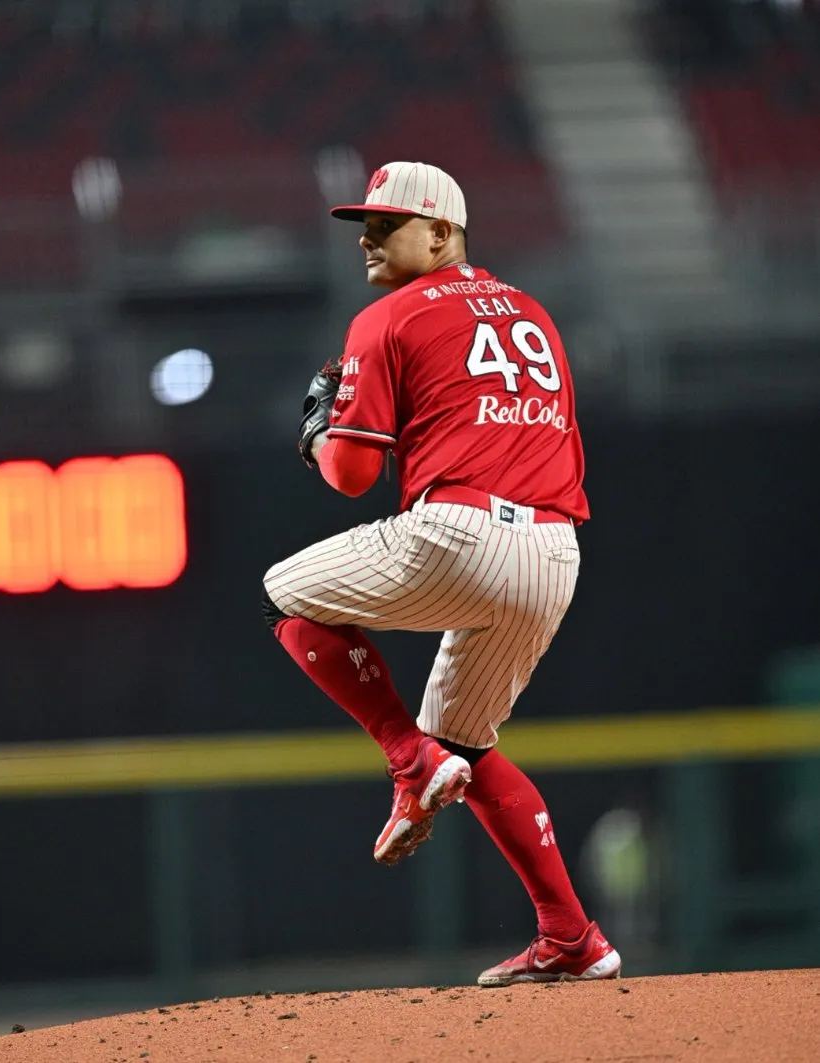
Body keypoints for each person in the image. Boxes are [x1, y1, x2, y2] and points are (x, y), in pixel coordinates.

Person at [263, 161, 621, 986]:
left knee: (280, 596)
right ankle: (573, 935)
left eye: (385, 225)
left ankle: (407, 758)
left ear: (440, 233)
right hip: (556, 550)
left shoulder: (387, 317)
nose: (367, 240)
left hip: (461, 533)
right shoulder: (533, 310)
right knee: (469, 744)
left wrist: (318, 436)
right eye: (365, 226)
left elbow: (352, 475)